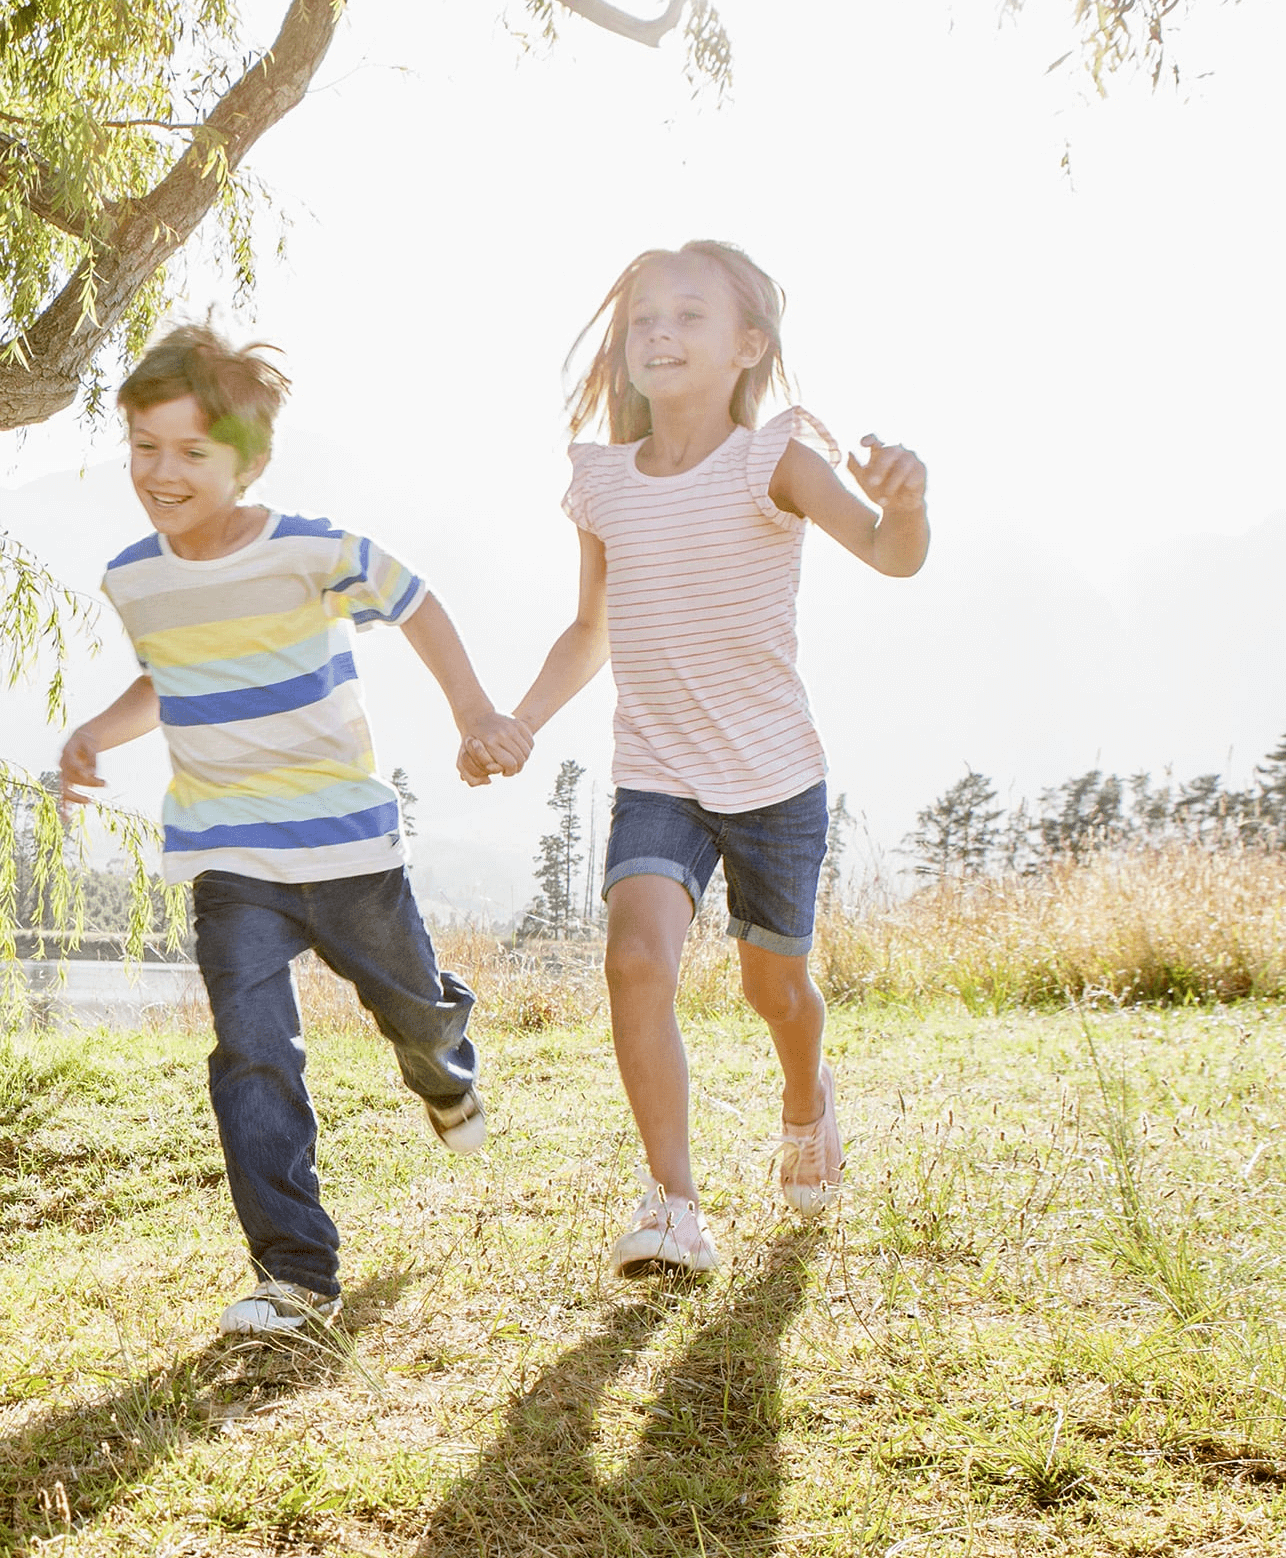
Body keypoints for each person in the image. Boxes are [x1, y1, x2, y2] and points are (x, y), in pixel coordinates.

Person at [462, 240, 929, 1277]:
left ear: (746, 346)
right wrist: (522, 720)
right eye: (643, 320)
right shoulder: (601, 481)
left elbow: (892, 554)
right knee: (633, 957)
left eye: (687, 316)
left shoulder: (776, 459)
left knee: (777, 991)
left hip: (772, 782)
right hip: (656, 774)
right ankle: (673, 1203)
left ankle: (805, 1101)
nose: (659, 334)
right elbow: (588, 631)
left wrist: (904, 502)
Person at [59, 324, 531, 1334]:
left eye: (193, 451)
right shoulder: (134, 576)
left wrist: (475, 714)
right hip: (230, 859)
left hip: (349, 850)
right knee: (252, 1050)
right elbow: (172, 673)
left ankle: (444, 1069)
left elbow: (418, 603)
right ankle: (296, 1274)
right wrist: (101, 729)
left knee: (415, 1010)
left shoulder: (314, 551)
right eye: (145, 446)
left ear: (250, 459)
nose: (163, 472)